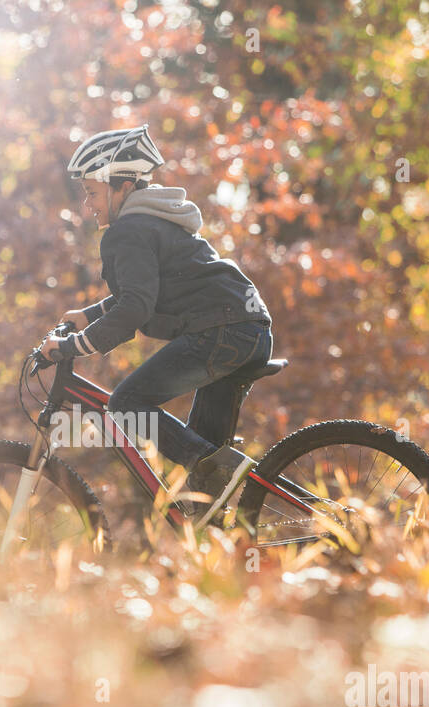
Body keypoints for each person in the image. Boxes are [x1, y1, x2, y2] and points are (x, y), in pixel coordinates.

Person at [38, 124, 274, 519]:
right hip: (246, 329)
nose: (88, 206)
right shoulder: (156, 221)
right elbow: (149, 287)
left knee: (126, 403)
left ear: (123, 187)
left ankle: (217, 473)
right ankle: (226, 538)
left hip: (221, 331)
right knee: (206, 482)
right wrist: (92, 314)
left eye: (93, 193)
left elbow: (135, 308)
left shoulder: (128, 231)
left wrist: (72, 347)